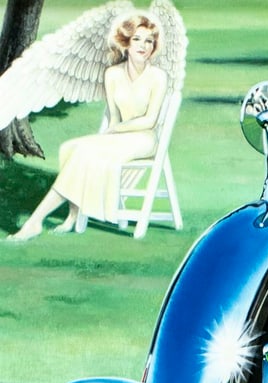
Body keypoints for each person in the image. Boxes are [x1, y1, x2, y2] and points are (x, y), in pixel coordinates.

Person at [9, 12, 168, 240]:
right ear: (126, 43)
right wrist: (109, 135)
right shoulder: (113, 74)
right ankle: (74, 213)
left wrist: (115, 132)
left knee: (84, 152)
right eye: (137, 39)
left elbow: (150, 120)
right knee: (70, 148)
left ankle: (36, 221)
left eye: (149, 41)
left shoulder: (157, 77)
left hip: (144, 139)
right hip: (119, 137)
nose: (143, 46)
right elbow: (114, 117)